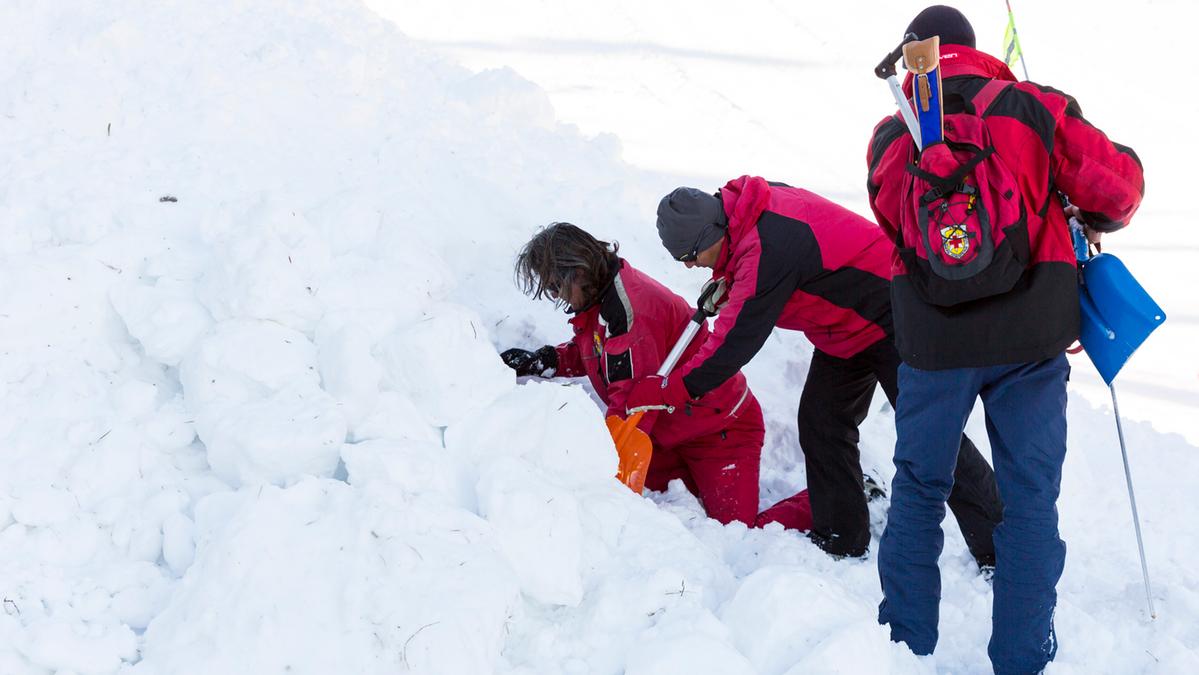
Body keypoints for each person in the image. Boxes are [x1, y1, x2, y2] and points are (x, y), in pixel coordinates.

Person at [865, 6, 1145, 673]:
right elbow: (1119, 193)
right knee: (1027, 503)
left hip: (932, 343)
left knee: (916, 489)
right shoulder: (1028, 104)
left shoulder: (886, 134)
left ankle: (902, 651)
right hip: (1030, 337)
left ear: (913, 58)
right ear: (971, 49)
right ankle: (1021, 657)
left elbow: (891, 220)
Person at [625, 177, 1004, 561]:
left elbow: (732, 344)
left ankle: (1002, 548)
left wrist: (669, 390)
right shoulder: (744, 211)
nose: (690, 264)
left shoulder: (769, 246)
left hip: (899, 317)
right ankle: (843, 536)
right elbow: (767, 267)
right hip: (848, 329)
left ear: (712, 231)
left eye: (690, 255)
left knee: (932, 438)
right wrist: (729, 277)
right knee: (823, 423)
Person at [500, 222, 812, 530]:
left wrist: (606, 488)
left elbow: (632, 403)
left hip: (720, 432)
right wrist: (547, 360)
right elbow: (598, 349)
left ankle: (828, 499)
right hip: (669, 435)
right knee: (663, 508)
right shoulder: (603, 295)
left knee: (739, 532)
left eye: (556, 287)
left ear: (578, 272)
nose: (557, 297)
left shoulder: (630, 312)